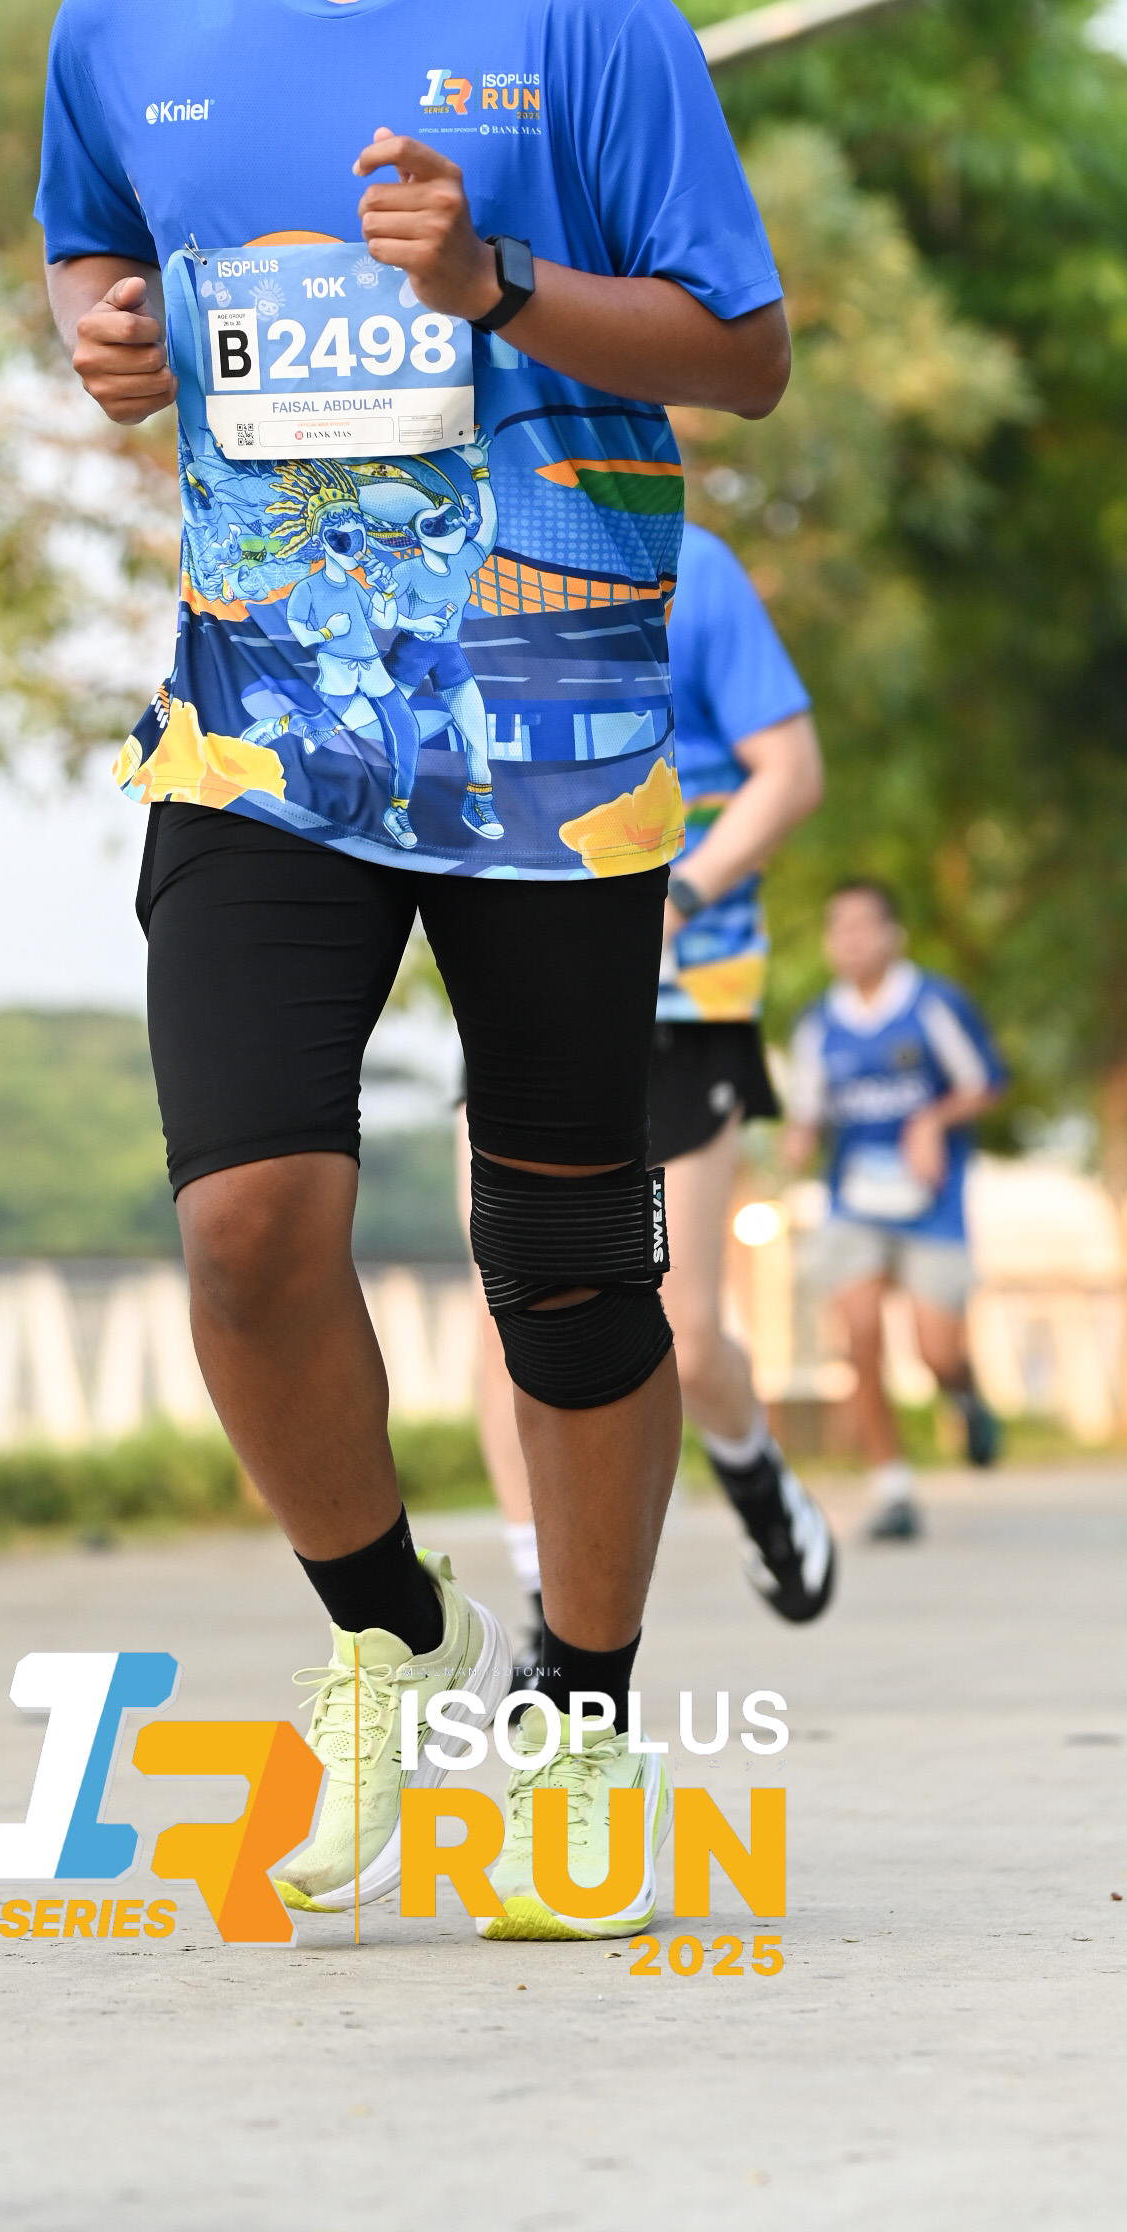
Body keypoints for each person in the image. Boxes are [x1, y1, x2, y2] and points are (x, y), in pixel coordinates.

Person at [41, 0, 788, 1940]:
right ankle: (388, 1626)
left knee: (565, 1265)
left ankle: (582, 1708)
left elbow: (742, 350)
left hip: (550, 728)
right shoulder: (129, 14)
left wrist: (494, 285)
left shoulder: (589, 13)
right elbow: (97, 260)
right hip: (262, 720)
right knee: (247, 1229)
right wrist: (105, 338)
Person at [471, 520, 834, 1653]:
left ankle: (754, 1472)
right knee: (506, 1305)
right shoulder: (448, 544)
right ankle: (545, 1605)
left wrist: (682, 896)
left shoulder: (691, 563)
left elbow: (792, 771)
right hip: (522, 987)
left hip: (683, 998)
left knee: (686, 1327)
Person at [784, 879, 1007, 1541]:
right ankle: (893, 1488)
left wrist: (931, 1121)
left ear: (892, 935)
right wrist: (797, 1139)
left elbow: (986, 1084)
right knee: (859, 1335)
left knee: (935, 1349)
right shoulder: (817, 1025)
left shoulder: (935, 1004)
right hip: (855, 1203)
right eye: (838, 928)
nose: (850, 939)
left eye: (863, 925)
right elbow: (807, 1111)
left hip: (931, 1202)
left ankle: (964, 1394)